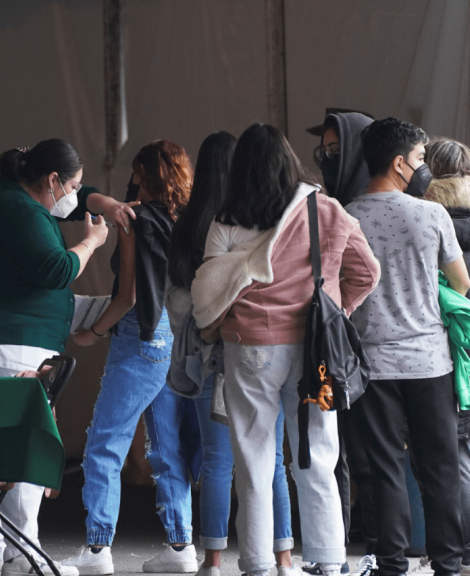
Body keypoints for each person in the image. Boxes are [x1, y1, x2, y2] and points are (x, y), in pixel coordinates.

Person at [0, 138, 134, 576]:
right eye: (73, 186)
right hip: (1, 347)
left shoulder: (13, 192)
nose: (77, 196)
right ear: (51, 180)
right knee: (20, 452)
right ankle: (24, 556)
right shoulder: (22, 212)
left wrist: (107, 203)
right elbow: (55, 270)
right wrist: (92, 242)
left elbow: (80, 197)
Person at [192, 123, 379, 576]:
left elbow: (210, 288)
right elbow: (367, 272)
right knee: (318, 455)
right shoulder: (326, 210)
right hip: (314, 351)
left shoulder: (227, 219)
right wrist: (335, 312)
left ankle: (257, 563)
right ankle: (328, 560)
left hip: (249, 348)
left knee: (254, 458)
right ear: (290, 161)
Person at [59, 140, 197, 576]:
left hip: (138, 338)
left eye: (137, 171)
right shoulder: (186, 220)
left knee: (104, 444)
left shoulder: (134, 219)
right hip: (174, 338)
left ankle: (98, 548)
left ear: (146, 175)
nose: (132, 179)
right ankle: (181, 545)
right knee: (167, 446)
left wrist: (92, 332)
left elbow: (129, 296)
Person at [163, 132, 297, 576]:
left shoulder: (194, 224)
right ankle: (283, 557)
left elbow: (188, 292)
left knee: (218, 460)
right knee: (271, 458)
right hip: (258, 344)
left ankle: (213, 560)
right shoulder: (269, 218)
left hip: (209, 351)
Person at [345, 118, 470, 576]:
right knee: (439, 468)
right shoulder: (431, 215)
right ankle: (448, 564)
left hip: (372, 365)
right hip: (429, 363)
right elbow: (462, 282)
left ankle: (392, 564)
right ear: (399, 163)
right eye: (419, 158)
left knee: (384, 468)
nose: (423, 167)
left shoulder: (346, 216)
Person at [411, 137, 470, 576]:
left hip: (445, 349)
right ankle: (463, 550)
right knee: (462, 448)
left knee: (454, 454)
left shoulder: (432, 223)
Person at [311, 111, 378, 572]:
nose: (328, 157)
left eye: (337, 149)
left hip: (369, 350)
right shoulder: (329, 205)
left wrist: (340, 313)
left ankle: (373, 545)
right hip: (339, 350)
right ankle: (336, 546)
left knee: (365, 454)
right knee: (333, 452)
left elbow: (368, 274)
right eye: (325, 150)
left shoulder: (361, 209)